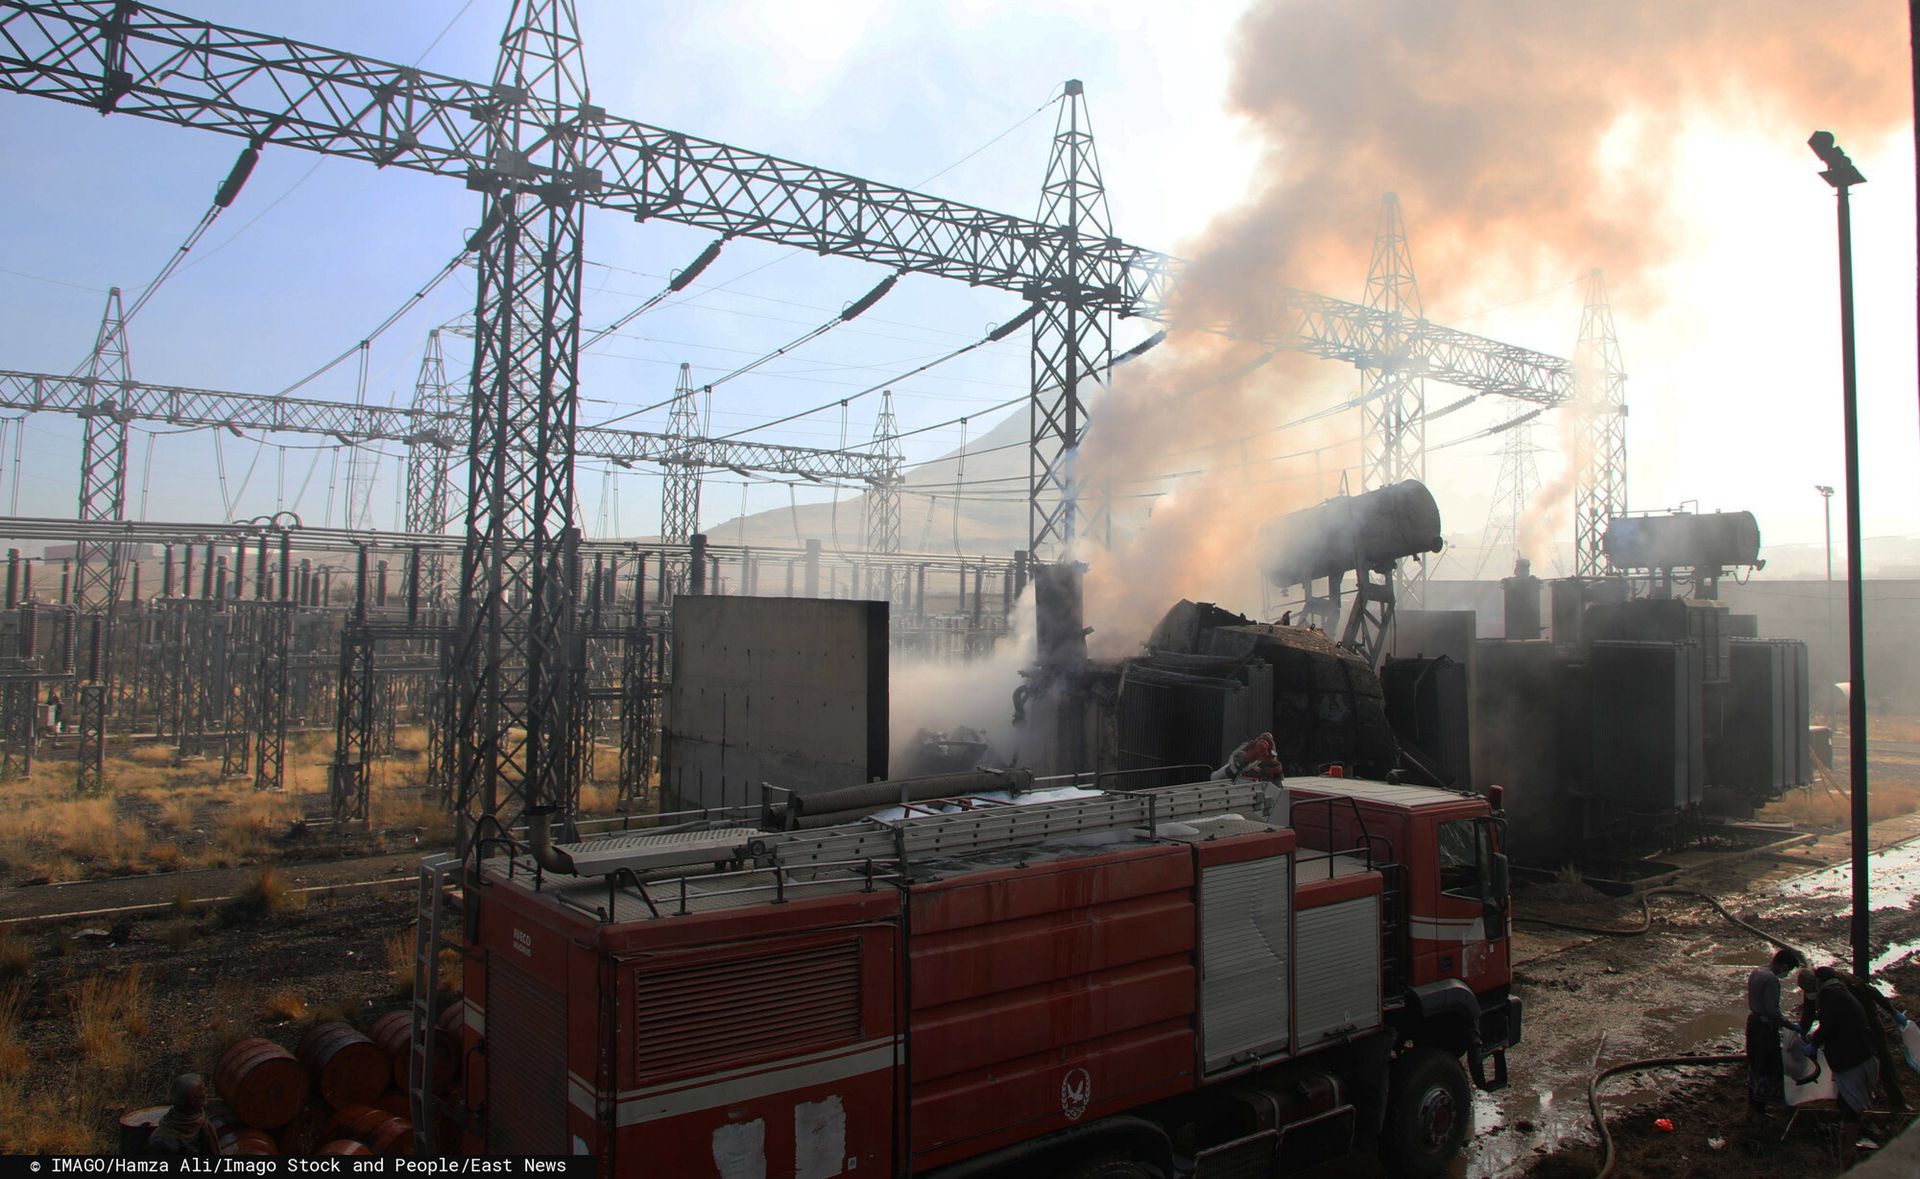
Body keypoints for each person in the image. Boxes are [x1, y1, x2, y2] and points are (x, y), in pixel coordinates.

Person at [1809, 966, 1880, 1165]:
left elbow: (1828, 1025)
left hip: (1853, 1061)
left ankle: (1847, 1152)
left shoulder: (1829, 995)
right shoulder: (1843, 992)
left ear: (1818, 982)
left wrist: (1813, 1043)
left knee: (1851, 1108)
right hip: (1866, 1055)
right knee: (1847, 1103)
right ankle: (1847, 1142)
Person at [1746, 948, 1801, 1122]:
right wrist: (1790, 1025)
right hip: (1764, 1029)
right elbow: (1772, 1011)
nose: (1787, 973)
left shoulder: (1757, 972)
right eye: (1788, 970)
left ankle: (1753, 1108)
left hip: (1753, 1024)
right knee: (1766, 1066)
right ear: (1783, 966)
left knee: (1755, 1065)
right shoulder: (1771, 979)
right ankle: (1759, 1109)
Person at [146, 1074, 216, 1158]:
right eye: (202, 1090)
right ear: (192, 1100)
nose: (206, 1093)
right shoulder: (162, 1143)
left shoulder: (200, 1121)